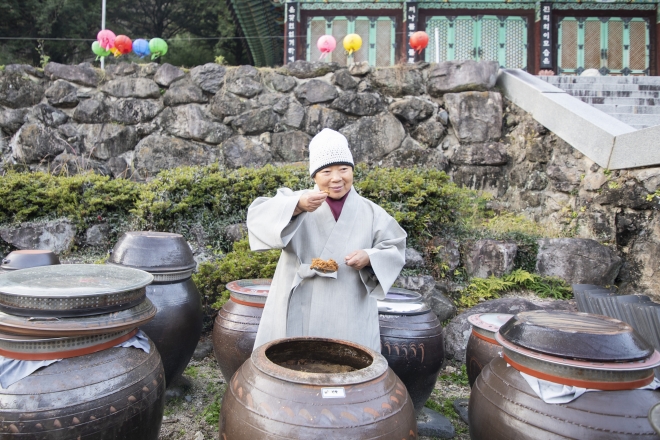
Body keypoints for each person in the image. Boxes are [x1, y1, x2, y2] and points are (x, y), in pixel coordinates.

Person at [247, 128, 407, 352]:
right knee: (294, 364)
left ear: (352, 170)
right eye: (326, 172)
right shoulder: (297, 201)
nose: (336, 178)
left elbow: (395, 247)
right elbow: (257, 219)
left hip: (349, 303)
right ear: (314, 176)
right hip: (301, 297)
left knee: (349, 364)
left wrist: (369, 257)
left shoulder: (371, 212)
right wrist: (298, 206)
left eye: (343, 169)